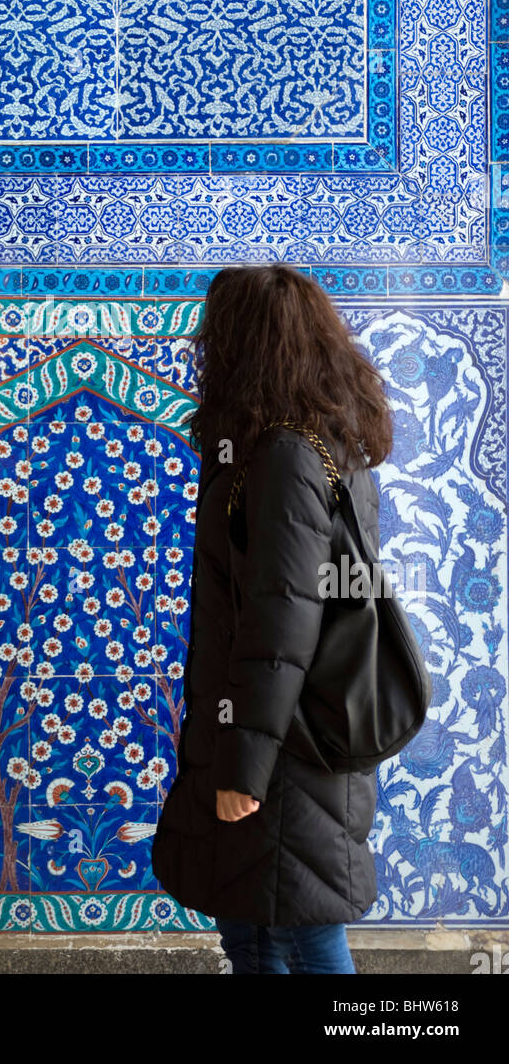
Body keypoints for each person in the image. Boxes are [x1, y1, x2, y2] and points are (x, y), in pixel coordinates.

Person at [151, 264, 394, 974]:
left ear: (245, 346)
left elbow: (283, 627)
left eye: (216, 335)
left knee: (300, 933)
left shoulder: (286, 455)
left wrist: (246, 772)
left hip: (284, 752)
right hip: (270, 738)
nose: (205, 349)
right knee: (255, 935)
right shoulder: (302, 444)